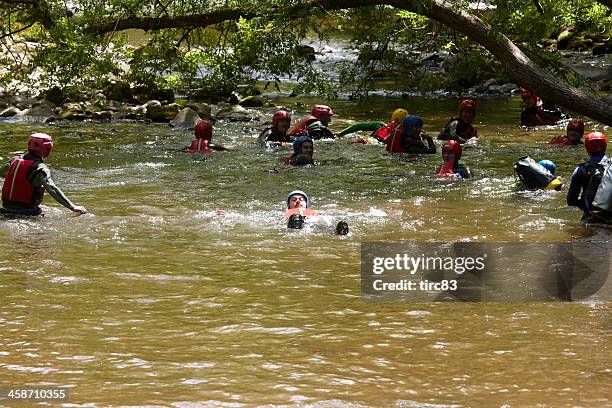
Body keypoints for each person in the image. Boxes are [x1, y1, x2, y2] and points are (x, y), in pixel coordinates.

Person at [0, 133, 87, 217]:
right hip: (27, 213)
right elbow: (52, 188)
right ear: (47, 149)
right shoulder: (40, 168)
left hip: (5, 210)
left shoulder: (14, 160)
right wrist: (73, 207)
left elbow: (1, 173)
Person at [567, 131, 610, 223]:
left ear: (587, 148)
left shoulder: (582, 169)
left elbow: (571, 201)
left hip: (592, 220)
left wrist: (586, 205)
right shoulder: (611, 167)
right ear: (605, 146)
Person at [336, 108, 409, 143]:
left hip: (369, 141)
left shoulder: (380, 125)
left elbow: (357, 126)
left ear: (392, 118)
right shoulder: (407, 132)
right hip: (377, 144)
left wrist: (341, 133)